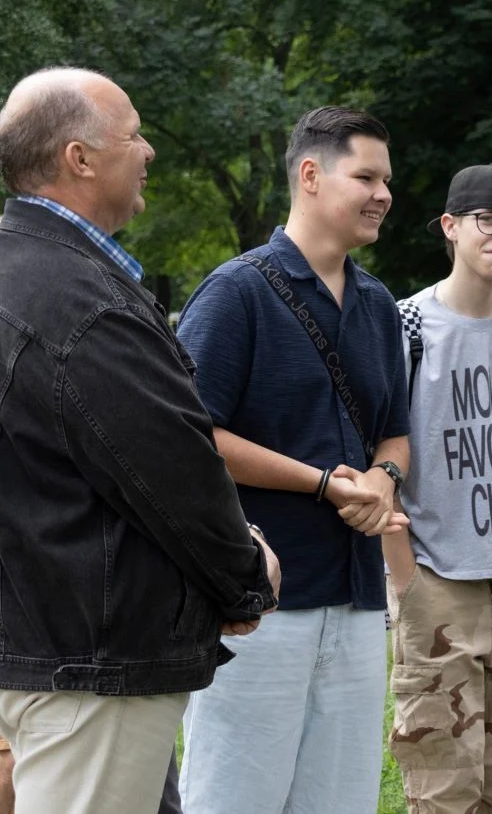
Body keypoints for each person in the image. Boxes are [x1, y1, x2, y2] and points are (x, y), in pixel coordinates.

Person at [0, 67, 278, 814]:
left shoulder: (19, 276)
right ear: (78, 158)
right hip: (91, 663)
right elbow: (170, 470)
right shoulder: (78, 302)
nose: (149, 149)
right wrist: (248, 572)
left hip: (47, 645)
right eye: (133, 134)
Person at [177, 107, 411, 814]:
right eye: (365, 175)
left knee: (339, 800)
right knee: (235, 797)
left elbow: (395, 434)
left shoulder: (376, 304)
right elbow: (190, 437)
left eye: (387, 180)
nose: (383, 193)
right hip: (259, 602)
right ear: (311, 175)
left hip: (358, 597)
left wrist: (380, 478)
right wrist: (319, 483)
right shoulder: (236, 291)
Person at [385, 165, 492, 812]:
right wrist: (406, 580)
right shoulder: (405, 325)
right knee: (441, 789)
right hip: (436, 582)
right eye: (488, 219)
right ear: (451, 226)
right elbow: (387, 463)